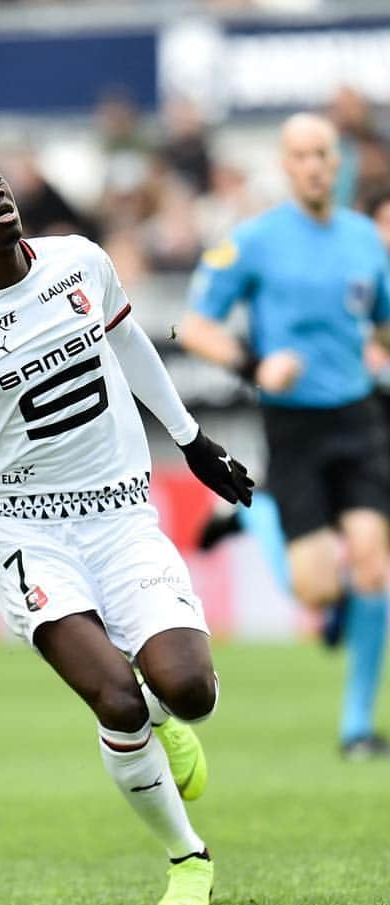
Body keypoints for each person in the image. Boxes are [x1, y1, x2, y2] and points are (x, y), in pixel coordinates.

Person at [0, 143, 253, 905]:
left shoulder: (80, 261)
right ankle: (188, 856)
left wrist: (190, 439)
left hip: (121, 514)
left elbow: (129, 342)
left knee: (190, 691)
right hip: (23, 535)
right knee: (116, 698)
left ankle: (165, 723)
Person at [179, 113, 390, 760]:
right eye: (301, 155)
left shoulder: (365, 239)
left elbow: (380, 324)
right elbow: (192, 326)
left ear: (339, 161)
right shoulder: (255, 241)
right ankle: (254, 513)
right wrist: (254, 364)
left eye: (324, 153)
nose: (315, 165)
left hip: (357, 418)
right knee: (318, 589)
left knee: (375, 568)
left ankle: (357, 726)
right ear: (286, 164)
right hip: (292, 425)